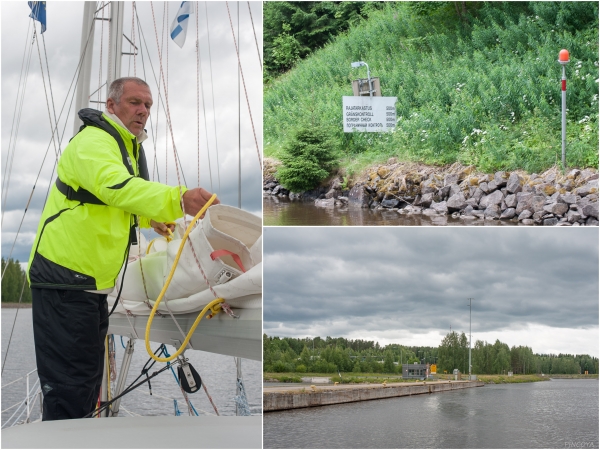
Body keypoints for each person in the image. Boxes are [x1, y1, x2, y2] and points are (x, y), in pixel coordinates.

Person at [27, 77, 219, 421]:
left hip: (89, 283)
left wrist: (150, 221)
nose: (143, 111)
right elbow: (115, 187)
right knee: (71, 387)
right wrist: (175, 199)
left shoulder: (124, 145)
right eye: (134, 102)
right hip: (66, 279)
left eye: (148, 105)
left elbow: (106, 203)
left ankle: (75, 439)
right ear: (111, 105)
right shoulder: (95, 141)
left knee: (85, 383)